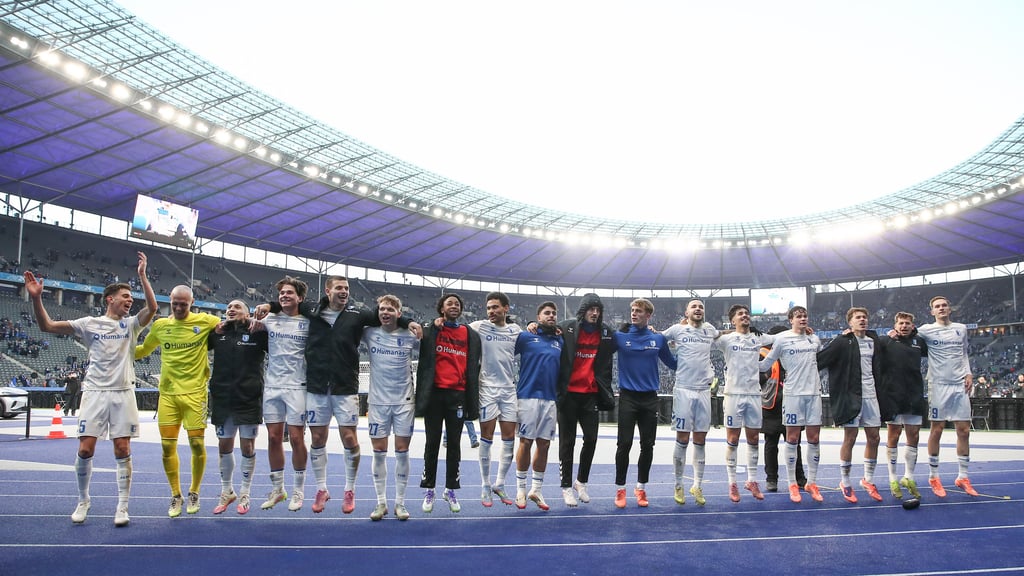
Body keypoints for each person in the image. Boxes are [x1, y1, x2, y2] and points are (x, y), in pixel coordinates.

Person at [257, 275, 419, 514]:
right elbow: (287, 302)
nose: (344, 291)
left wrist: (409, 320)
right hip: (317, 386)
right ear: (328, 290)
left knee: (350, 439)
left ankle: (349, 490)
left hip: (345, 387)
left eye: (347, 288)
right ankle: (321, 489)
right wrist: (269, 305)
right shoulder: (311, 308)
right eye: (340, 288)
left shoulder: (358, 315)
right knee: (318, 439)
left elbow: (388, 315)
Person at [25, 251, 157, 526]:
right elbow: (46, 325)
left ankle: (122, 506)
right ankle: (83, 500)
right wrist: (36, 298)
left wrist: (143, 277)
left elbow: (153, 309)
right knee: (86, 449)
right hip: (95, 392)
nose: (130, 301)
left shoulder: (130, 325)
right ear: (110, 299)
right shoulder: (87, 324)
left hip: (123, 392)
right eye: (125, 297)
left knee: (122, 448)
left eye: (131, 298)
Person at [136, 284, 221, 517]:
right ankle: (175, 495)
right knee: (167, 446)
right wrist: (115, 349)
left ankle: (194, 491)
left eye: (184, 304)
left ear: (192, 302)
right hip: (168, 395)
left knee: (196, 444)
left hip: (195, 394)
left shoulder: (205, 321)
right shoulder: (161, 326)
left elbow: (228, 325)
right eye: (175, 303)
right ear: (170, 301)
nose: (180, 307)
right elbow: (143, 349)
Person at [416, 293, 481, 514]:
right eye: (449, 303)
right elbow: (417, 332)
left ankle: (450, 490)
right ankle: (430, 489)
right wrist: (431, 326)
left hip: (458, 395)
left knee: (454, 446)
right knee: (432, 443)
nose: (454, 306)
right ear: (441, 308)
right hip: (435, 395)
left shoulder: (469, 334)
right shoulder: (432, 329)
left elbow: (475, 364)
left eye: (457, 304)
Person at [817, 307, 889, 503]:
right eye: (858, 317)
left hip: (872, 395)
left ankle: (868, 480)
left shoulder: (874, 341)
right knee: (851, 437)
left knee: (874, 437)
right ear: (850, 323)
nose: (862, 320)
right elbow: (820, 360)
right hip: (851, 396)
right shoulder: (842, 342)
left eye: (865, 317)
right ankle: (845, 482)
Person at [611, 298, 677, 508]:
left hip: (649, 398)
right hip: (628, 397)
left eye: (638, 311)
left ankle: (641, 488)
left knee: (647, 445)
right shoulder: (619, 337)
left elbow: (674, 363)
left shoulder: (657, 339)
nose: (634, 313)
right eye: (632, 310)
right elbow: (599, 350)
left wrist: (694, 351)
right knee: (624, 444)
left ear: (648, 315)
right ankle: (620, 489)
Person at [207, 299, 268, 515]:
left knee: (247, 447)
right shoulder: (216, 333)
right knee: (224, 445)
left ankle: (245, 492)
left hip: (248, 398)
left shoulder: (258, 332)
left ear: (247, 313)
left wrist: (262, 318)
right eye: (228, 308)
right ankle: (227, 491)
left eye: (236, 307)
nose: (231, 310)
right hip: (223, 398)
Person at [362, 295, 419, 521]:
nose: (385, 312)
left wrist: (408, 321)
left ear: (399, 312)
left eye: (390, 309)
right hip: (377, 402)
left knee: (402, 452)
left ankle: (400, 503)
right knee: (378, 453)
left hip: (404, 401)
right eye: (382, 309)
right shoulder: (369, 333)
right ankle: (381, 502)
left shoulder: (409, 334)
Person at [759, 306, 824, 503]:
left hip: (814, 393)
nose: (803, 319)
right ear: (791, 320)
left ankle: (811, 482)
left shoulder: (814, 339)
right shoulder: (781, 339)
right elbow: (764, 365)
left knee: (813, 438)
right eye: (798, 316)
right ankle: (792, 484)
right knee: (792, 438)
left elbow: (818, 353)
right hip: (793, 394)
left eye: (805, 316)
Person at [556, 293, 616, 507]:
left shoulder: (606, 332)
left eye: (598, 310)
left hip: (590, 395)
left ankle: (581, 481)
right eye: (591, 309)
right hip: (568, 395)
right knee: (567, 442)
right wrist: (533, 325)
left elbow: (627, 337)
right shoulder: (566, 327)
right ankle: (565, 486)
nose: (595, 313)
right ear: (583, 310)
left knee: (591, 439)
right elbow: (547, 329)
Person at [257, 276, 310, 512]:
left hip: (297, 385)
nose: (284, 296)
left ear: (299, 297)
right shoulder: (269, 318)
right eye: (281, 293)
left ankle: (299, 489)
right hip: (272, 386)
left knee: (297, 439)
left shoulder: (308, 321)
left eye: (290, 293)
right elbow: (248, 322)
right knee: (273, 438)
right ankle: (278, 489)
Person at [917, 296, 978, 497]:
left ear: (950, 309)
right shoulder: (925, 329)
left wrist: (968, 372)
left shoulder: (961, 328)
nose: (941, 308)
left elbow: (964, 353)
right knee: (937, 429)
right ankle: (934, 476)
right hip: (939, 384)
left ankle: (963, 476)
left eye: (944, 305)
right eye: (937, 306)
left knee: (964, 430)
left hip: (959, 383)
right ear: (932, 312)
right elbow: (905, 333)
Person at [713, 304, 773, 502]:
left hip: (754, 394)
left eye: (746, 313)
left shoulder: (758, 337)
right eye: (740, 314)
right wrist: (728, 330)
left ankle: (752, 480)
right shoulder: (726, 339)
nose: (745, 315)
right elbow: (706, 335)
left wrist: (801, 330)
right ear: (733, 320)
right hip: (733, 394)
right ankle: (732, 483)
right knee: (733, 439)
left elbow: (780, 338)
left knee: (754, 439)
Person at [661, 299, 719, 506]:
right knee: (683, 439)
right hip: (684, 389)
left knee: (701, 440)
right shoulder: (677, 330)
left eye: (701, 307)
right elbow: (657, 339)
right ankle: (678, 484)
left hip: (704, 390)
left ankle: (697, 484)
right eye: (694, 306)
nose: (698, 309)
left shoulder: (710, 330)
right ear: (686, 312)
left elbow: (723, 336)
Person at [467, 291, 520, 507]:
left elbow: (530, 340)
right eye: (489, 308)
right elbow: (458, 332)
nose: (491, 311)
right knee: (486, 438)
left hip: (508, 390)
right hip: (486, 389)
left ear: (506, 308)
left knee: (509, 439)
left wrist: (535, 324)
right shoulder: (478, 326)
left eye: (495, 307)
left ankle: (500, 483)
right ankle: (485, 485)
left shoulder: (515, 330)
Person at [513, 301, 563, 510]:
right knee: (526, 442)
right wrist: (530, 324)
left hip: (550, 399)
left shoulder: (560, 339)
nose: (551, 316)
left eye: (554, 313)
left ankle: (537, 489)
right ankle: (521, 489)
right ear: (538, 316)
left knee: (545, 444)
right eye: (547, 313)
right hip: (527, 397)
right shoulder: (525, 337)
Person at [878, 311, 928, 499]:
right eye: (901, 323)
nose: (904, 326)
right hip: (893, 395)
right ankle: (892, 478)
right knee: (894, 435)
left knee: (914, 435)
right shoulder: (886, 341)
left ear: (912, 326)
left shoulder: (919, 343)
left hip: (914, 394)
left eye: (907, 323)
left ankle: (909, 477)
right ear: (895, 325)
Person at [761, 326, 807, 493]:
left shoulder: (794, 350)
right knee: (771, 444)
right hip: (771, 404)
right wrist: (764, 376)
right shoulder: (763, 352)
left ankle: (799, 478)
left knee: (795, 443)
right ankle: (771, 479)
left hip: (793, 400)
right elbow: (755, 374)